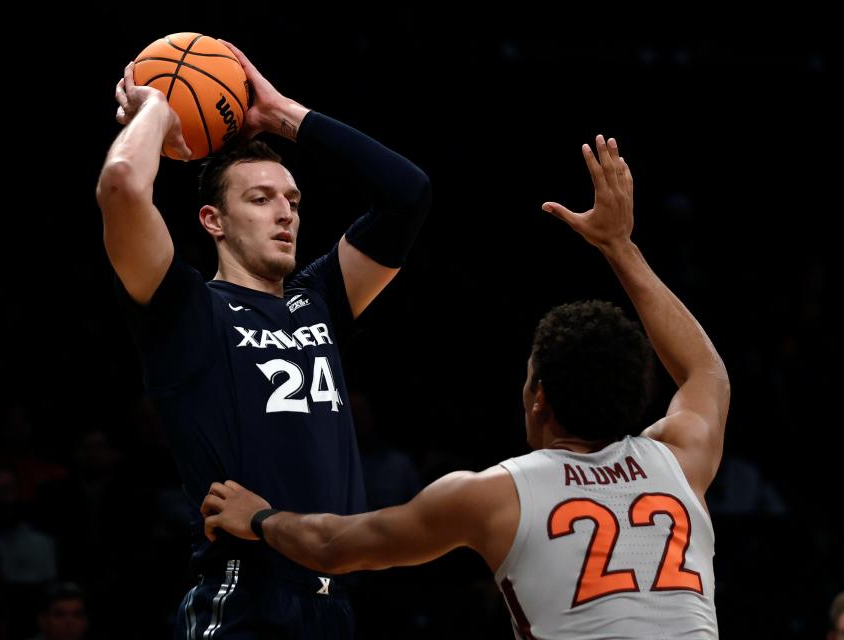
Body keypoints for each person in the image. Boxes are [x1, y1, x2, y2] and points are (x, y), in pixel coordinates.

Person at [201, 136, 729, 638]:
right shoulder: (680, 460)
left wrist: (262, 518)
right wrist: (620, 246)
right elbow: (705, 372)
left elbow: (332, 545)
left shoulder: (496, 495)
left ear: (539, 396)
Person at [96, 38, 430, 638]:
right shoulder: (189, 310)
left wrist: (284, 118)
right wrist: (159, 111)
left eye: (293, 200)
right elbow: (121, 183)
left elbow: (408, 194)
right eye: (261, 198)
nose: (286, 213)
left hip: (336, 599)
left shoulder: (320, 298)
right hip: (246, 595)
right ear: (212, 221)